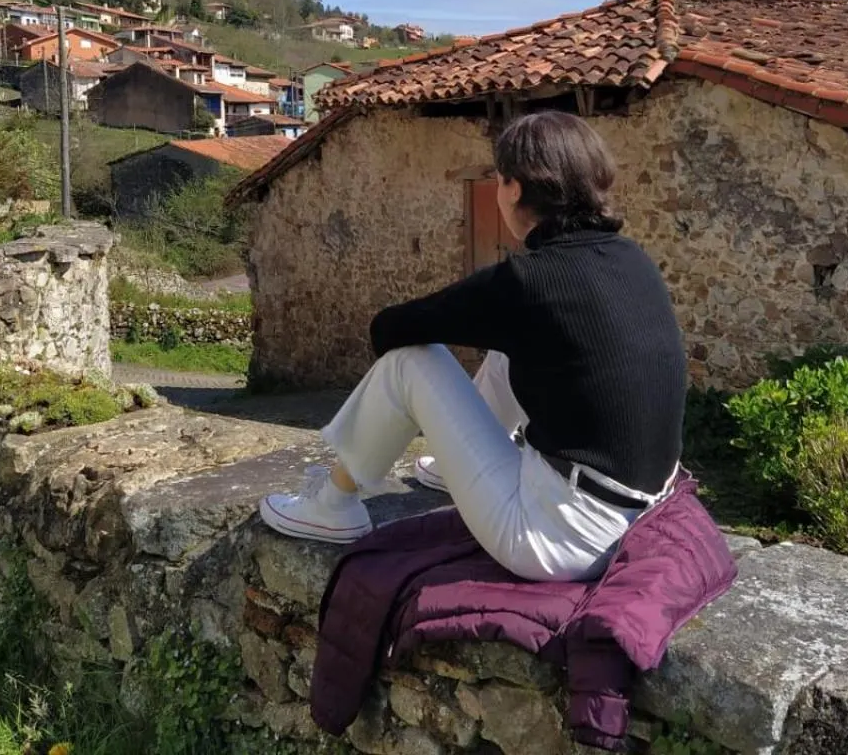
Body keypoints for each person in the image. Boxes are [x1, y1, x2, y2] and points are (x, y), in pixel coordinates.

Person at [258, 111, 687, 583]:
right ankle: (451, 467)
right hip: (641, 518)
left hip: (560, 541)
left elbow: (390, 331)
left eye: (498, 180)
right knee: (510, 350)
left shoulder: (529, 282)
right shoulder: (633, 259)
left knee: (411, 363)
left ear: (515, 188)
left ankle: (331, 505)